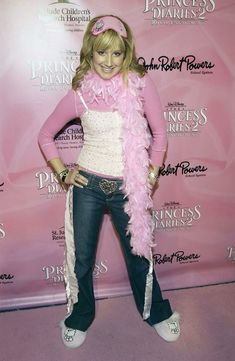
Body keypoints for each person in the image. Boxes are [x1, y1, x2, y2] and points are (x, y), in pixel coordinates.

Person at [38, 15, 180, 348]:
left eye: (117, 54)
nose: (109, 61)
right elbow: (45, 135)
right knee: (82, 258)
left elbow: (159, 133)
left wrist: (152, 172)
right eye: (102, 52)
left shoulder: (141, 85)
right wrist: (63, 172)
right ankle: (79, 316)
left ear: (126, 54)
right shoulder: (79, 94)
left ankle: (156, 312)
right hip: (86, 186)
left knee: (140, 254)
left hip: (127, 189)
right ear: (91, 51)